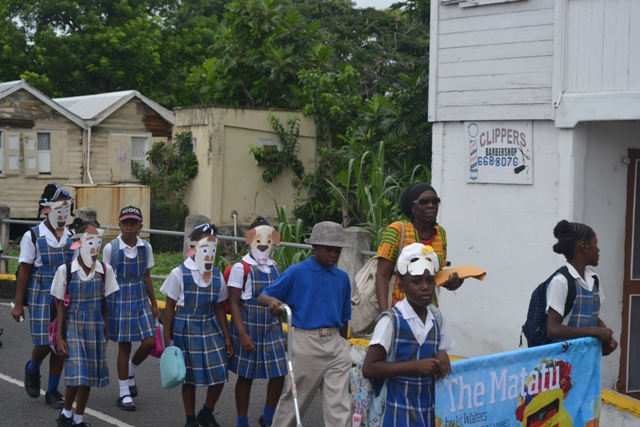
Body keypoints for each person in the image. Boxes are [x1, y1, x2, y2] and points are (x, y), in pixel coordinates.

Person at [258, 221, 352, 427]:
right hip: (306, 340)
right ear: (315, 247)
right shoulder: (297, 272)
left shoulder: (343, 278)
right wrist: (273, 302)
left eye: (338, 250)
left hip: (336, 342)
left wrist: (343, 346)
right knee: (296, 399)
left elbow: (345, 318)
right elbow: (264, 295)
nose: (334, 255)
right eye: (329, 249)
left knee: (340, 404)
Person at [363, 243, 455, 427]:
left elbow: (443, 347)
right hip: (396, 409)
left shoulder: (437, 318)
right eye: (417, 281)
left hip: (427, 409)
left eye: (430, 281)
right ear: (402, 286)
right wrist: (415, 366)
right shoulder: (391, 321)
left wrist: (442, 354)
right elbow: (369, 368)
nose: (425, 287)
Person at [161, 223, 233, 427]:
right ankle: (190, 419)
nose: (209, 252)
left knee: (219, 372)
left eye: (213, 247)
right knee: (189, 377)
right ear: (194, 247)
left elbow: (219, 307)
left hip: (209, 325)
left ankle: (207, 412)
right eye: (204, 246)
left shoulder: (217, 274)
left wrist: (226, 336)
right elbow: (170, 306)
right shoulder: (180, 273)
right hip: (185, 326)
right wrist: (168, 338)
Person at [11, 183, 75, 409]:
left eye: (67, 206)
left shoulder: (72, 236)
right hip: (40, 294)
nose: (64, 211)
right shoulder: (33, 236)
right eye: (60, 206)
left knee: (60, 344)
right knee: (44, 342)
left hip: (64, 296)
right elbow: (25, 271)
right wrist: (19, 304)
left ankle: (52, 391)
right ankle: (33, 367)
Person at [52, 221, 119, 427]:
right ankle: (65, 413)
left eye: (98, 241)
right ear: (78, 243)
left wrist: (107, 329)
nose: (95, 246)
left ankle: (78, 419)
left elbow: (105, 304)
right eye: (90, 241)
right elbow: (60, 305)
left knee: (88, 375)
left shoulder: (104, 270)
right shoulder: (67, 270)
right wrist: (60, 336)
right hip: (73, 327)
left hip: (95, 327)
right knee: (76, 374)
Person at [228, 217, 287, 427]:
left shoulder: (274, 266)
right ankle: (241, 421)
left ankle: (268, 417)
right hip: (249, 325)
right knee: (246, 376)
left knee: (279, 372)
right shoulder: (240, 268)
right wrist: (242, 334)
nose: (263, 243)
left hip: (271, 326)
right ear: (250, 238)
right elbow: (234, 303)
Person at [103, 206, 160, 411]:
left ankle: (130, 370)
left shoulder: (146, 247)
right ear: (119, 225)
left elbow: (146, 276)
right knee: (124, 345)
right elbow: (105, 276)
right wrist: (104, 309)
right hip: (118, 297)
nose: (129, 227)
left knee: (149, 341)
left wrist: (154, 303)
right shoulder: (112, 248)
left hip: (140, 297)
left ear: (140, 226)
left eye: (133, 224)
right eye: (125, 223)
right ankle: (123, 392)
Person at [376, 182, 463, 311]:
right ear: (412, 207)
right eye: (423, 201)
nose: (431, 205)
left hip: (429, 310)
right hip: (400, 310)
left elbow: (434, 276)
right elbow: (382, 275)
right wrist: (385, 315)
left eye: (435, 201)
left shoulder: (440, 233)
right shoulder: (396, 231)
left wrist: (450, 283)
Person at [546, 220, 618, 355]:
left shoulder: (594, 280)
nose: (598, 249)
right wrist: (594, 331)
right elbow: (553, 329)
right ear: (584, 246)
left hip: (587, 358)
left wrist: (609, 339)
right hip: (564, 361)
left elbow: (593, 316)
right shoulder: (561, 281)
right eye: (596, 243)